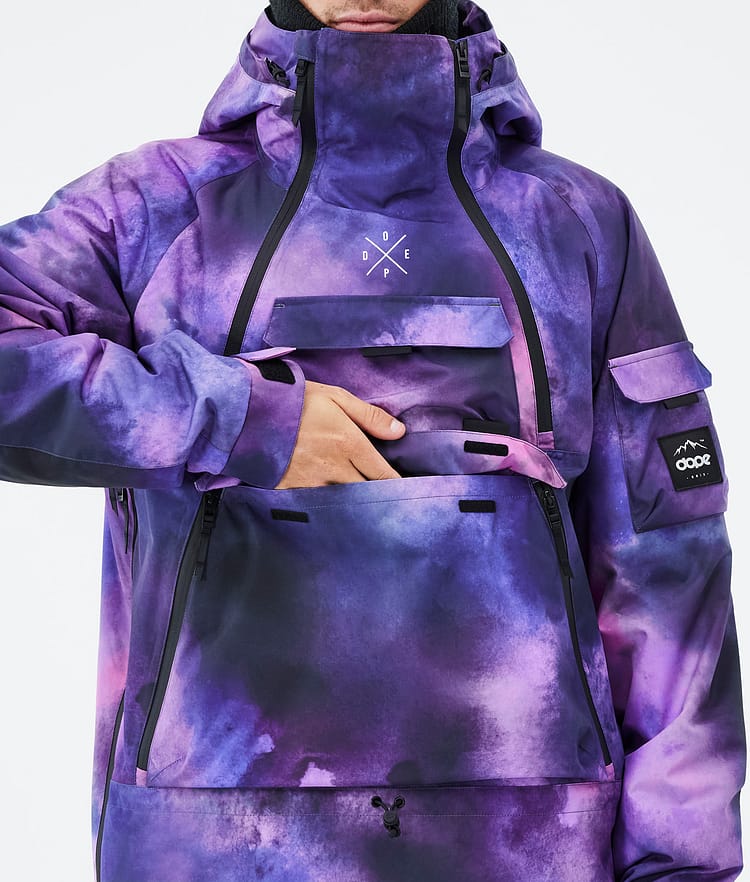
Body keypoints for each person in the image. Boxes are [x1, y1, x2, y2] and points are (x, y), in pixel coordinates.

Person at [0, 0, 745, 880]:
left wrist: (679, 866)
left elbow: (667, 568)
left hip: (528, 844)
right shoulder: (152, 208)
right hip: (210, 846)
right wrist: (237, 420)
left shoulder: (576, 222)